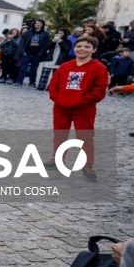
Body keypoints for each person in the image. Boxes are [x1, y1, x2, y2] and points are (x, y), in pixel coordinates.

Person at [47, 35, 108, 181]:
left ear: (94, 50)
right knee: (60, 135)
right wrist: (59, 99)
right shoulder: (65, 66)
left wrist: (81, 101)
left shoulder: (99, 68)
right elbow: (53, 86)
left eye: (87, 47)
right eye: (79, 46)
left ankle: (87, 164)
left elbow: (98, 91)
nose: (82, 49)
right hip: (61, 108)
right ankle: (58, 159)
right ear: (74, 48)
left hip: (84, 109)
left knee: (85, 137)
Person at [16, 19, 51, 87]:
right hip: (26, 53)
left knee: (34, 69)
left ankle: (32, 83)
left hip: (37, 54)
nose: (38, 24)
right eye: (36, 23)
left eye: (40, 23)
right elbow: (22, 43)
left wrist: (40, 53)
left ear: (42, 25)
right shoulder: (28, 33)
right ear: (34, 24)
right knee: (23, 68)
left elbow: (46, 45)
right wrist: (23, 52)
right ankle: (19, 82)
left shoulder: (45, 34)